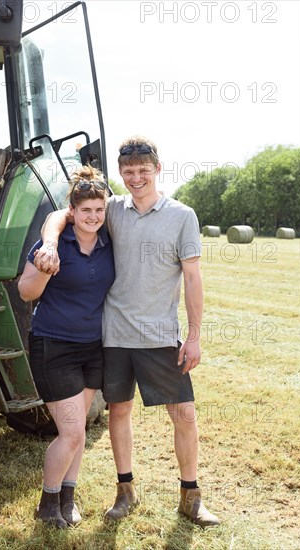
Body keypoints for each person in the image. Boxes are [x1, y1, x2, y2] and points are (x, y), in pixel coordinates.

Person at [34, 137, 220, 528]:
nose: (136, 178)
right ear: (121, 173)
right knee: (119, 412)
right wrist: (50, 242)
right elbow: (61, 215)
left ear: (158, 169)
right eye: (129, 172)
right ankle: (125, 491)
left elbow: (192, 277)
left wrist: (195, 336)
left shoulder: (182, 215)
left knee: (183, 413)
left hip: (160, 334)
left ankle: (191, 496)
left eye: (143, 170)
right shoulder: (112, 209)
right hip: (114, 334)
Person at [18, 165, 115, 529]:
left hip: (94, 347)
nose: (92, 217)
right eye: (85, 210)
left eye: (98, 210)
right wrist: (46, 265)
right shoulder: (52, 245)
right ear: (72, 212)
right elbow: (26, 293)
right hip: (54, 345)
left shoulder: (108, 242)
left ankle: (67, 497)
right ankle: (47, 503)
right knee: (72, 431)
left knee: (78, 432)